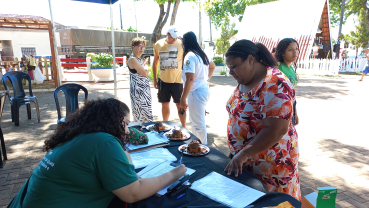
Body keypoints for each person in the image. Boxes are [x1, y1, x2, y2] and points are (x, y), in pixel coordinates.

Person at [8, 98, 186, 208]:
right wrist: (177, 172)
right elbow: (133, 193)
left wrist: (122, 145)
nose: (127, 131)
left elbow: (128, 169)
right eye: (125, 123)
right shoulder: (104, 142)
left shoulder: (82, 135)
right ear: (111, 122)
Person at [223, 40, 300, 201]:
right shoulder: (246, 79)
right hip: (249, 163)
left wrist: (244, 153)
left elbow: (276, 129)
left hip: (271, 167)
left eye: (234, 66)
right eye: (229, 67)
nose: (230, 72)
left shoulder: (274, 83)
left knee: (273, 203)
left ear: (251, 59)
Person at [179, 31, 213, 145]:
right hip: (203, 89)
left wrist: (183, 99)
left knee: (197, 123)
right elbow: (212, 66)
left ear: (185, 41)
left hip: (195, 91)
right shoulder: (200, 54)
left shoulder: (189, 56)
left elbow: (190, 79)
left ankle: (202, 147)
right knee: (197, 121)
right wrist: (205, 79)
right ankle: (196, 144)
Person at [153, 26, 186, 127]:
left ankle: (184, 127)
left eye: (176, 37)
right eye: (172, 37)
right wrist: (155, 80)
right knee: (165, 104)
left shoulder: (182, 44)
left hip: (178, 81)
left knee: (180, 105)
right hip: (163, 81)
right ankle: (166, 125)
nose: (175, 39)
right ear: (167, 34)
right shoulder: (158, 44)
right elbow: (155, 63)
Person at [128, 37, 154, 123]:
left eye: (143, 47)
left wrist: (143, 63)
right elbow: (144, 73)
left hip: (144, 93)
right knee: (141, 119)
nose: (142, 49)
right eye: (139, 47)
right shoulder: (133, 59)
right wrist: (146, 64)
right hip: (139, 94)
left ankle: (147, 135)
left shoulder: (138, 60)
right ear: (133, 47)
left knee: (147, 118)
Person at [275, 38, 299, 125]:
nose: (295, 52)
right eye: (290, 50)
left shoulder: (291, 67)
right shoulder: (278, 67)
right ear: (282, 53)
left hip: (290, 105)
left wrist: (295, 112)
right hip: (280, 108)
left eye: (296, 49)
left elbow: (292, 94)